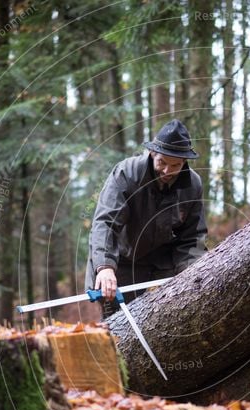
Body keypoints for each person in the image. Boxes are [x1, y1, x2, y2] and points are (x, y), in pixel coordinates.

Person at [86, 119, 208, 317]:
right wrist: (105, 267)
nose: (167, 171)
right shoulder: (126, 173)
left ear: (184, 162)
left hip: (161, 267)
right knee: (118, 330)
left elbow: (193, 237)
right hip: (121, 264)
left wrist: (192, 273)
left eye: (175, 165)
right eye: (162, 162)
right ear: (152, 153)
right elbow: (105, 223)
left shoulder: (193, 184)